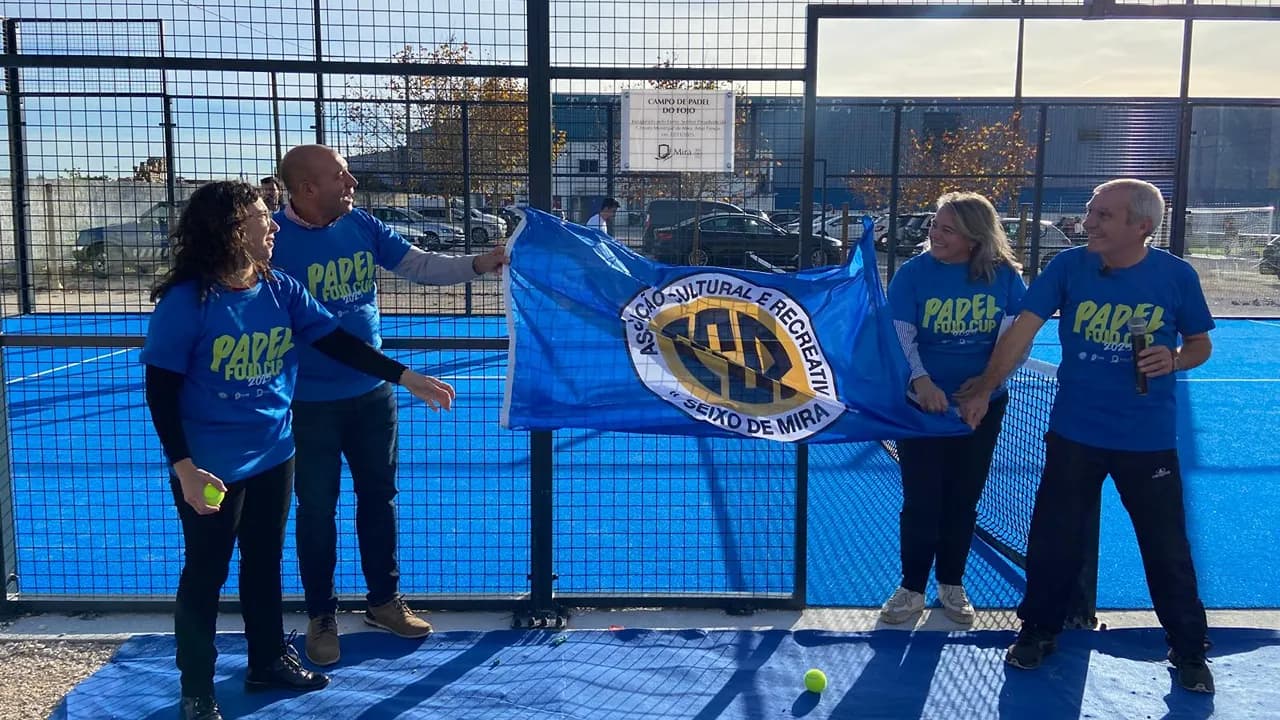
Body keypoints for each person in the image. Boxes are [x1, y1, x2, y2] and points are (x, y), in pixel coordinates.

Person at [142, 181, 456, 720]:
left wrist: (406, 377)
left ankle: (267, 661)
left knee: (263, 564)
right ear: (233, 229)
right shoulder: (187, 302)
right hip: (210, 465)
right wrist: (185, 468)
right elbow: (161, 389)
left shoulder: (279, 287)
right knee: (206, 573)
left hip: (273, 452)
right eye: (264, 216)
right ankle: (196, 686)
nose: (274, 225)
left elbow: (336, 341)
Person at [956, 178, 1215, 694]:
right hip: (1075, 433)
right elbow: (1022, 331)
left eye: (1104, 216)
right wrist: (985, 387)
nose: (1088, 222)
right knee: (1054, 539)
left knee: (1165, 547)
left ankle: (1188, 649)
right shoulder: (1067, 268)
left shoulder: (1176, 277)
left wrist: (1176, 359)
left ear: (1141, 226)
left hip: (1148, 440)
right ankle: (1037, 630)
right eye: (1090, 212)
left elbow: (1200, 344)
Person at [270, 144, 507, 667]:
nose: (351, 180)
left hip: (373, 395)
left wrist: (478, 263)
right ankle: (320, 614)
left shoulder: (362, 224)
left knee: (380, 498)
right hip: (308, 402)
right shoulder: (271, 241)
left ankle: (383, 601)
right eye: (339, 175)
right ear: (308, 190)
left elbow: (419, 265)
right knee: (316, 511)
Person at [880, 192, 1027, 626]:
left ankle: (952, 584)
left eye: (947, 228)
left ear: (973, 237)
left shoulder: (1002, 277)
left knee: (963, 500)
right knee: (922, 500)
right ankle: (910, 588)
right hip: (920, 410)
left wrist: (985, 389)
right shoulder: (913, 274)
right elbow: (902, 337)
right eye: (934, 226)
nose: (934, 234)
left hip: (982, 408)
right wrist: (922, 382)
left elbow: (1015, 339)